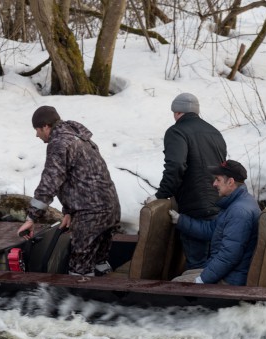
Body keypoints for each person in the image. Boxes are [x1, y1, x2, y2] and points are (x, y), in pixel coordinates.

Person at [18, 106, 121, 276]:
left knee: (79, 269)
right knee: (99, 261)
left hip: (91, 215)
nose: (36, 135)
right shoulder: (80, 138)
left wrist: (31, 218)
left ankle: (80, 298)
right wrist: (69, 211)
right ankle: (106, 294)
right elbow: (80, 178)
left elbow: (50, 181)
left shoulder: (59, 143)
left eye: (36, 130)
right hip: (111, 209)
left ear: (45, 126)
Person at [146, 93, 227, 270]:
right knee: (215, 260)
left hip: (195, 205)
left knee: (197, 264)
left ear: (177, 112)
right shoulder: (214, 132)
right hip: (220, 202)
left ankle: (195, 296)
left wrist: (161, 195)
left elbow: (175, 166)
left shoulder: (176, 131)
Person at [169, 160, 260, 286]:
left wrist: (202, 280)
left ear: (230, 182)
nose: (214, 183)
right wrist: (180, 220)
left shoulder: (238, 212)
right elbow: (211, 230)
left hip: (231, 280)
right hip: (231, 273)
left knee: (175, 286)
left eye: (218, 179)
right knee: (185, 275)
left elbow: (229, 256)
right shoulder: (239, 203)